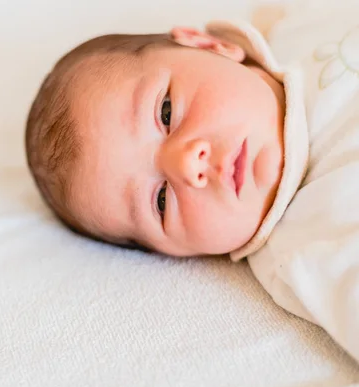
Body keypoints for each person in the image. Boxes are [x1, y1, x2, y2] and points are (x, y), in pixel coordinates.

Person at [25, 1, 359, 362]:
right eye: (161, 201)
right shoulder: (307, 256)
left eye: (166, 112)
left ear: (208, 44)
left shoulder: (296, 25)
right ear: (180, 255)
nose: (186, 164)